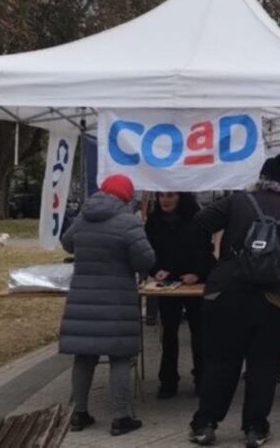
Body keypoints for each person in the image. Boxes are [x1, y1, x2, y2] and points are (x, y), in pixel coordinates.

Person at [189, 154, 280, 448]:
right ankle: (255, 428)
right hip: (279, 300)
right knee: (265, 364)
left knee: (220, 362)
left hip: (229, 292)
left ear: (261, 177)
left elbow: (200, 221)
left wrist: (211, 266)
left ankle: (205, 424)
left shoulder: (238, 202)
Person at [59, 174, 156, 436]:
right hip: (116, 300)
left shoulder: (82, 217)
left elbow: (67, 243)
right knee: (120, 356)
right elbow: (145, 259)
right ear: (127, 196)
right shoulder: (128, 222)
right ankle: (121, 417)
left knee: (84, 355)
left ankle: (78, 413)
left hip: (82, 299)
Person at [145, 192, 209, 399]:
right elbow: (148, 251)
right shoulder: (153, 221)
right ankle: (168, 380)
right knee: (169, 334)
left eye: (170, 196)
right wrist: (155, 270)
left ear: (180, 198)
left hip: (193, 283)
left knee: (199, 332)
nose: (165, 200)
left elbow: (206, 252)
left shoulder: (196, 219)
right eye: (161, 196)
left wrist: (198, 273)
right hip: (167, 284)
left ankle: (202, 378)